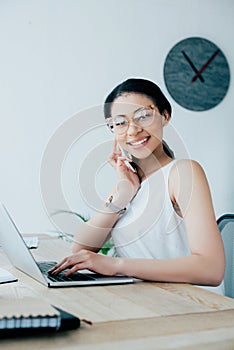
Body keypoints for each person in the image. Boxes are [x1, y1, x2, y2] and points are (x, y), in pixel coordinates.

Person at [49, 78, 225, 292]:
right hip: (145, 300)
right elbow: (80, 250)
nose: (132, 131)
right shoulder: (129, 184)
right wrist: (124, 193)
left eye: (143, 116)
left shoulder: (182, 173)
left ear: (165, 116)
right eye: (120, 122)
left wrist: (117, 266)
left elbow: (211, 269)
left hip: (189, 305)